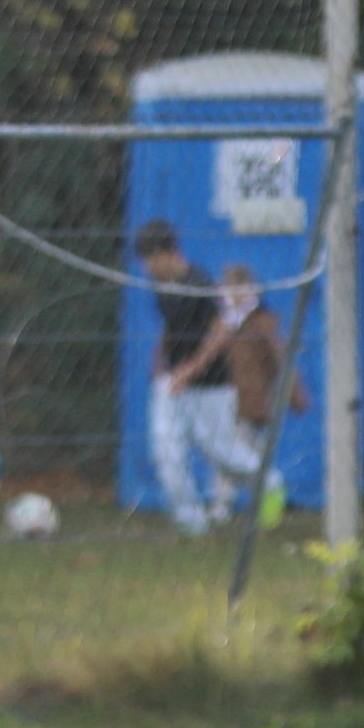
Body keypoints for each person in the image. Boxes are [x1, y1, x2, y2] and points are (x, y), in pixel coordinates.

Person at [135, 221, 232, 534]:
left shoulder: (199, 283)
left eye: (150, 259)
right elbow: (171, 326)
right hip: (173, 382)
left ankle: (267, 479)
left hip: (210, 384)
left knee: (221, 451)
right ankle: (191, 521)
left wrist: (192, 369)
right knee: (165, 448)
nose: (147, 268)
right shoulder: (160, 286)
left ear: (168, 253)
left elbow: (221, 332)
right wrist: (160, 360)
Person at [220, 274, 312, 532]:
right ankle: (228, 506)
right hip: (228, 401)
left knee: (239, 456)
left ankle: (257, 500)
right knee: (234, 455)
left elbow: (281, 359)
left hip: (253, 402)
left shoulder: (261, 323)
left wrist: (296, 396)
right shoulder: (225, 322)